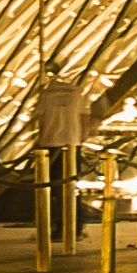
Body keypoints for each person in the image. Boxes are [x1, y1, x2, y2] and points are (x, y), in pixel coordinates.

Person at [32, 68, 92, 254]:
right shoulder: (77, 94)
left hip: (50, 142)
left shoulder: (46, 94)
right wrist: (81, 138)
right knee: (72, 187)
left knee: (53, 188)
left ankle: (58, 225)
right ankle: (76, 224)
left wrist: (39, 140)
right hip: (72, 142)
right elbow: (85, 119)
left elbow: (40, 120)